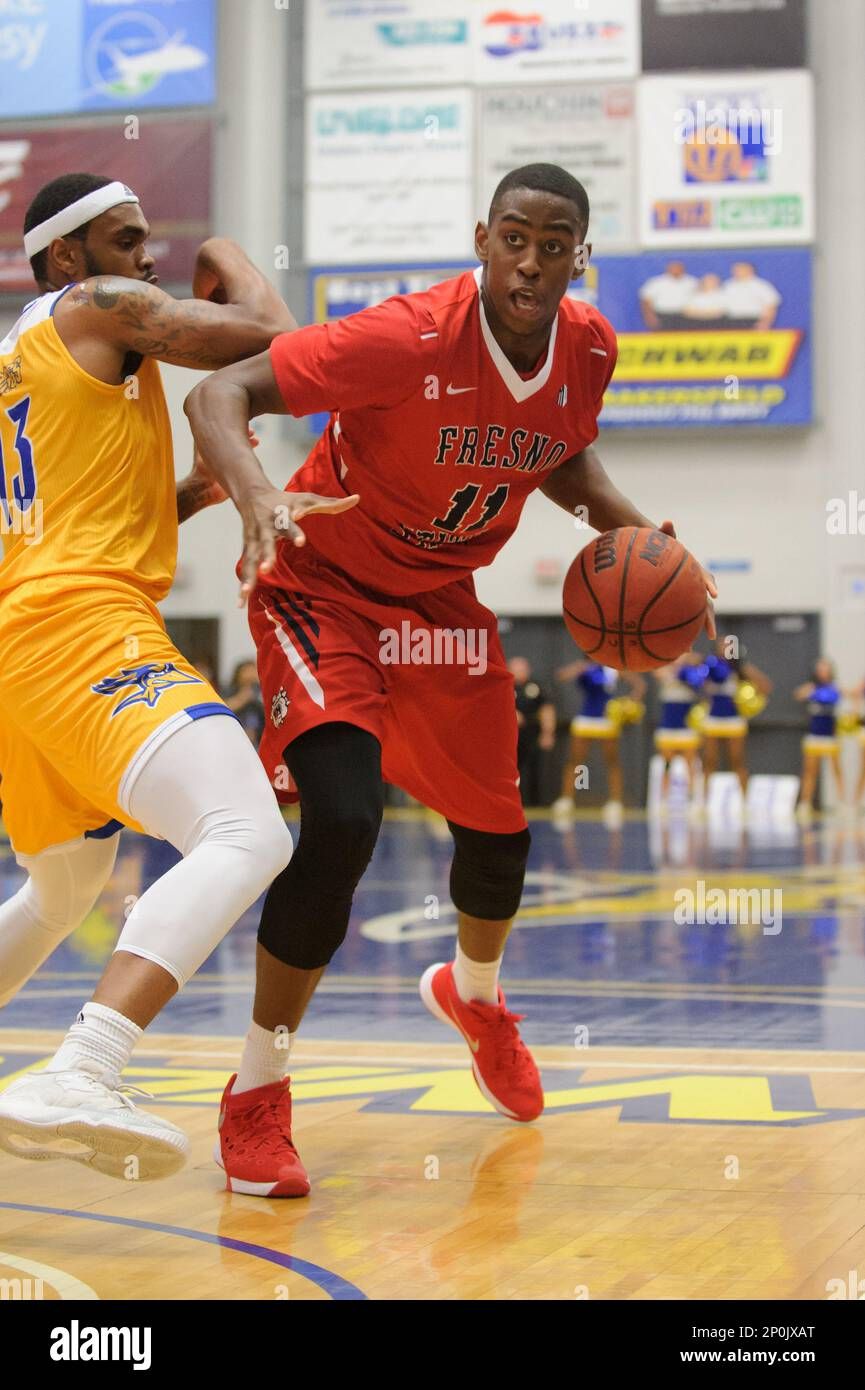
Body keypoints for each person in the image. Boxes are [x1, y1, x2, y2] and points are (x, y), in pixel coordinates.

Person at [185, 162, 716, 1197]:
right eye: (512, 237)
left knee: (501, 835)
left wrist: (635, 535)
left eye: (552, 243)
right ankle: (256, 1094)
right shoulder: (404, 335)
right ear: (482, 239)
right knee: (342, 821)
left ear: (579, 254)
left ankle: (474, 995)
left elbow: (560, 458)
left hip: (439, 605)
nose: (529, 259)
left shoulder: (589, 349)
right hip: (320, 584)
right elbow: (222, 388)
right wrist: (254, 494)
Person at [0, 174, 348, 1181]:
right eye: (128, 239)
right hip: (83, 629)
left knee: (63, 885)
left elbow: (123, 504)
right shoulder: (97, 310)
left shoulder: (30, 356)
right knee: (247, 831)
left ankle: (78, 1064)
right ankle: (85, 1064)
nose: (148, 258)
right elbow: (277, 339)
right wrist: (231, 255)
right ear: (69, 259)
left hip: (27, 641)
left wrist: (238, 486)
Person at [552, 660, 645, 828]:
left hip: (607, 720)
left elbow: (640, 684)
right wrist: (577, 668)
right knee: (574, 760)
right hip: (585, 719)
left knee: (612, 761)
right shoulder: (584, 668)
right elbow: (560, 676)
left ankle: (615, 801)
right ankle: (566, 799)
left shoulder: (613, 669)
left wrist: (630, 702)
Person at [701, 639, 773, 791]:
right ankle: (704, 801)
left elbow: (765, 685)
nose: (725, 647)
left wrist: (753, 702)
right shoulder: (708, 667)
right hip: (713, 719)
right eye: (722, 645)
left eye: (728, 645)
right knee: (709, 760)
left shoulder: (739, 668)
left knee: (737, 760)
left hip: (733, 719)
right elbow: (698, 686)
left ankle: (744, 801)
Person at [651, 654, 708, 799]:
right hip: (668, 725)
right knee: (667, 763)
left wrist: (688, 665)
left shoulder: (691, 673)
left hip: (686, 726)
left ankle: (694, 797)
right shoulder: (665, 671)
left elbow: (700, 667)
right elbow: (655, 671)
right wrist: (673, 666)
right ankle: (663, 797)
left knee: (691, 762)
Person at [794, 659, 844, 819]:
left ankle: (842, 803)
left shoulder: (834, 688)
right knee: (810, 771)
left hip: (830, 736)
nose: (822, 671)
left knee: (836, 770)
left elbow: (834, 697)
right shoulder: (811, 686)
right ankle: (805, 803)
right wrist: (809, 690)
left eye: (825, 668)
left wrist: (815, 693)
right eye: (820, 668)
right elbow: (798, 695)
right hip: (814, 735)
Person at [508, 658, 556, 808]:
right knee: (510, 772)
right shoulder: (503, 687)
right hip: (508, 739)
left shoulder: (535, 687)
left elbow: (547, 709)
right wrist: (511, 714)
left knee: (534, 770)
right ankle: (510, 804)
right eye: (516, 669)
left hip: (531, 735)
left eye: (523, 669)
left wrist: (547, 733)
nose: (520, 673)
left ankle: (535, 804)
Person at [638, 261, 698, 331]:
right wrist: (650, 316)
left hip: (685, 315)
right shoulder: (657, 282)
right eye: (673, 268)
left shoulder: (691, 282)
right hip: (663, 315)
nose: (676, 270)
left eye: (678, 268)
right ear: (668, 269)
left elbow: (699, 298)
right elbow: (646, 300)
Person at [721, 262, 781, 331]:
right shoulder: (727, 285)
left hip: (753, 320)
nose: (737, 272)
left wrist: (765, 323)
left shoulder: (761, 285)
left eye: (741, 270)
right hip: (730, 322)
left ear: (750, 270)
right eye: (736, 270)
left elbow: (771, 305)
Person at [225, 659, 266, 746]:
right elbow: (224, 709)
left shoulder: (261, 692)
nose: (251, 673)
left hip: (257, 743)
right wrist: (242, 698)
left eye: (254, 670)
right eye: (247, 670)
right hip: (233, 740)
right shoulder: (229, 691)